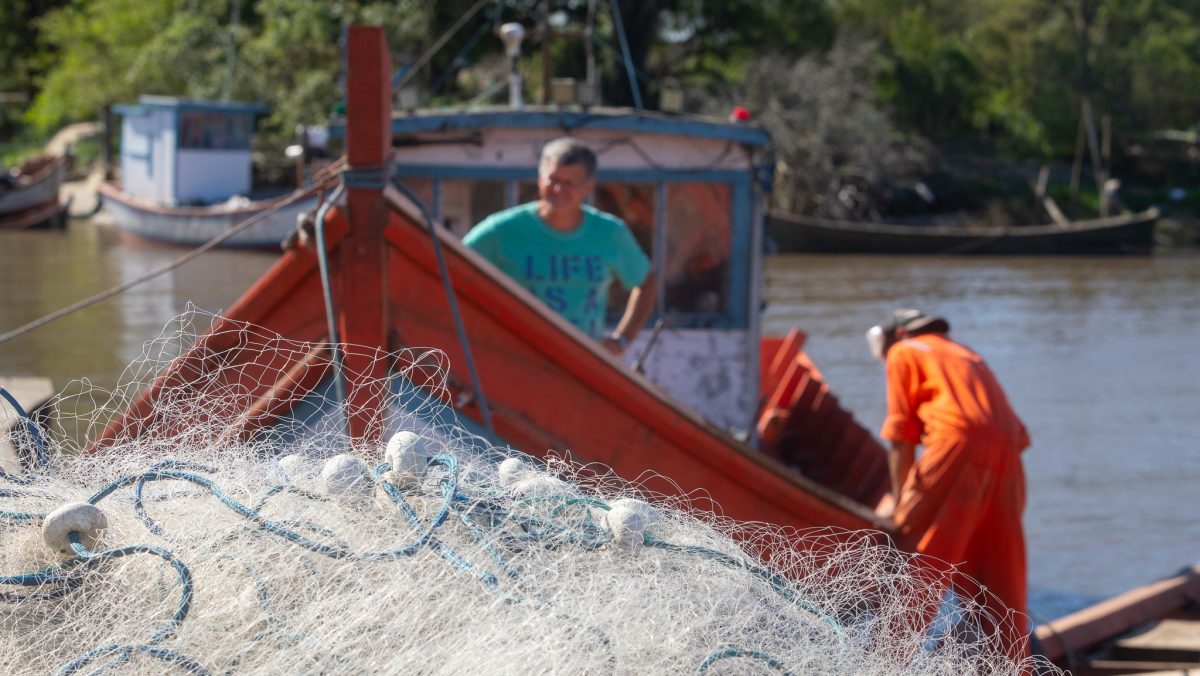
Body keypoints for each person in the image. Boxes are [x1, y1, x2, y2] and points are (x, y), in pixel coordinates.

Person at [866, 309, 1031, 659]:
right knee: (1001, 568)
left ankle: (885, 660)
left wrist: (901, 503)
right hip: (1008, 459)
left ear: (896, 335)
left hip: (957, 445)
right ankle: (1013, 665)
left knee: (920, 554)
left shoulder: (903, 351)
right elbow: (1017, 433)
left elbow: (901, 435)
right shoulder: (968, 355)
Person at [463, 137, 656, 356]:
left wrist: (621, 340)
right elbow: (452, 268)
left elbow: (647, 283)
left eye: (569, 183)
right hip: (513, 358)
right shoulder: (501, 230)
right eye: (552, 179)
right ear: (539, 178)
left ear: (588, 187)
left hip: (582, 363)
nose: (558, 189)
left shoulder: (610, 233)